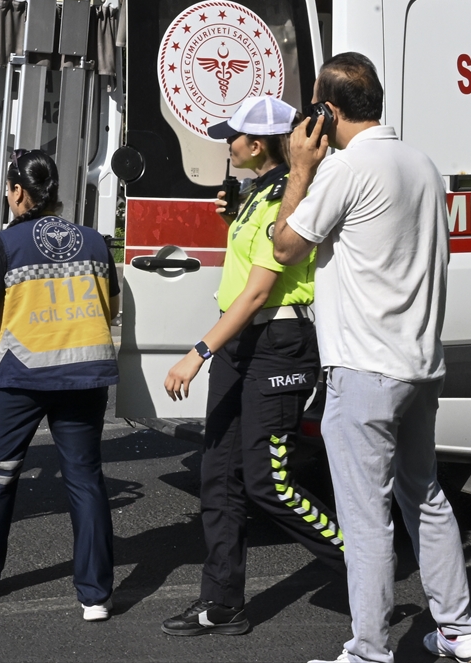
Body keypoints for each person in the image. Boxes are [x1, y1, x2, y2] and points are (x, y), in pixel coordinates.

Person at [269, 53, 471, 663]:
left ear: (327, 110)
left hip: (364, 369)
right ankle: (458, 629)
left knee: (365, 519)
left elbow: (285, 247)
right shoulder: (421, 164)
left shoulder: (344, 169)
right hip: (419, 365)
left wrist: (299, 169)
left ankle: (368, 650)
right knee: (426, 496)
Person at [158, 95, 345, 638]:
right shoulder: (258, 193)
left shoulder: (288, 196)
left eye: (232, 137)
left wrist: (198, 352)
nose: (227, 144)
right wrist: (231, 217)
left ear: (257, 144)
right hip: (243, 341)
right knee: (217, 475)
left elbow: (260, 290)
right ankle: (222, 604)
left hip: (278, 342)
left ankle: (362, 561)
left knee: (269, 483)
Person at [0, 150, 119, 620]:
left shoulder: (6, 244)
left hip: (21, 375)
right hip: (84, 374)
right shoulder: (95, 242)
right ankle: (96, 596)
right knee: (85, 480)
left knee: (0, 473)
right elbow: (109, 309)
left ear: (15, 191)